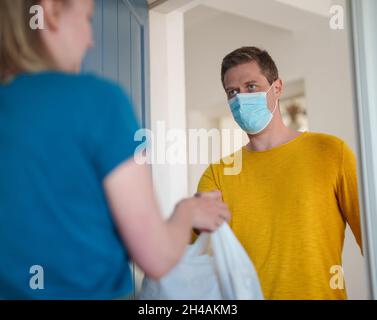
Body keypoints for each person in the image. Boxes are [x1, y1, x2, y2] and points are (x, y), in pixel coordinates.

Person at [0, 0, 230, 299]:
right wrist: (187, 211)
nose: (90, 38)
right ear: (52, 12)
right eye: (87, 19)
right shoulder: (98, 101)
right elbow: (156, 257)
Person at [196, 46, 362, 300]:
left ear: (277, 88)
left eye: (251, 86)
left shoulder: (330, 152)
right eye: (232, 92)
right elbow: (190, 258)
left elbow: (372, 242)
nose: (241, 98)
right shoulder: (217, 174)